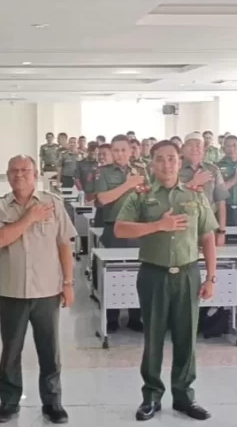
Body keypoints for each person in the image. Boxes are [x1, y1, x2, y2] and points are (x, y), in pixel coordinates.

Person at [115, 140, 218, 422]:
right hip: (153, 274)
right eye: (159, 159)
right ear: (152, 163)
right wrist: (157, 226)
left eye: (171, 158)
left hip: (187, 274)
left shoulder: (195, 195)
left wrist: (211, 277)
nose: (166, 164)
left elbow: (207, 236)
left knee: (187, 338)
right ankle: (151, 396)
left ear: (180, 161)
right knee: (154, 338)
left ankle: (184, 396)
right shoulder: (142, 195)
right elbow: (120, 228)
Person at [0, 155, 74, 425]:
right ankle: (9, 402)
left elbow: (64, 244)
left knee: (49, 349)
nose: (19, 175)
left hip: (47, 289)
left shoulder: (53, 203)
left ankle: (53, 403)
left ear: (35, 173)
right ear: (7, 175)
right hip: (12, 290)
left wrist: (68, 283)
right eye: (14, 171)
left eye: (25, 170)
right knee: (11, 351)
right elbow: (0, 239)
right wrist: (29, 218)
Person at [93, 135, 147, 332]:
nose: (120, 154)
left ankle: (135, 316)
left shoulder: (141, 170)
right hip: (114, 227)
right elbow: (103, 199)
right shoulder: (103, 173)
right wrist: (128, 184)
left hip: (137, 228)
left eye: (124, 150)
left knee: (138, 273)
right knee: (113, 272)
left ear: (131, 151)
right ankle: (112, 317)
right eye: (115, 150)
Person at [179, 133, 229, 338]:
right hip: (183, 226)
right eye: (190, 145)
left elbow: (221, 202)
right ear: (183, 148)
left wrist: (222, 230)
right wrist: (193, 181)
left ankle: (203, 316)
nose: (195, 149)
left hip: (207, 227)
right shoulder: (176, 168)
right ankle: (185, 319)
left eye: (199, 146)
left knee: (207, 267)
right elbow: (173, 195)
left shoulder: (213, 169)